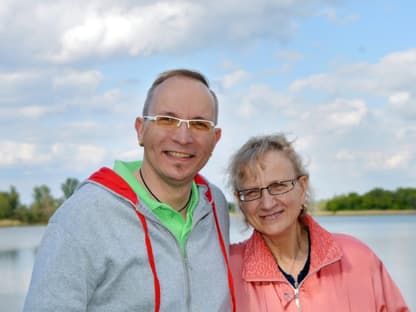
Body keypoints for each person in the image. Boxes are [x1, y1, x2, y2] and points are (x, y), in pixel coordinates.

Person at [24, 69, 236, 312]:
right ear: (140, 129)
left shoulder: (215, 205)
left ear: (215, 139)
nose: (183, 137)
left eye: (199, 124)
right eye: (167, 119)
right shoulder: (83, 217)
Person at [227, 133, 409, 311]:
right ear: (240, 201)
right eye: (252, 192)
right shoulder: (226, 271)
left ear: (302, 186)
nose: (267, 203)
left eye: (278, 186)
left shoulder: (357, 257)